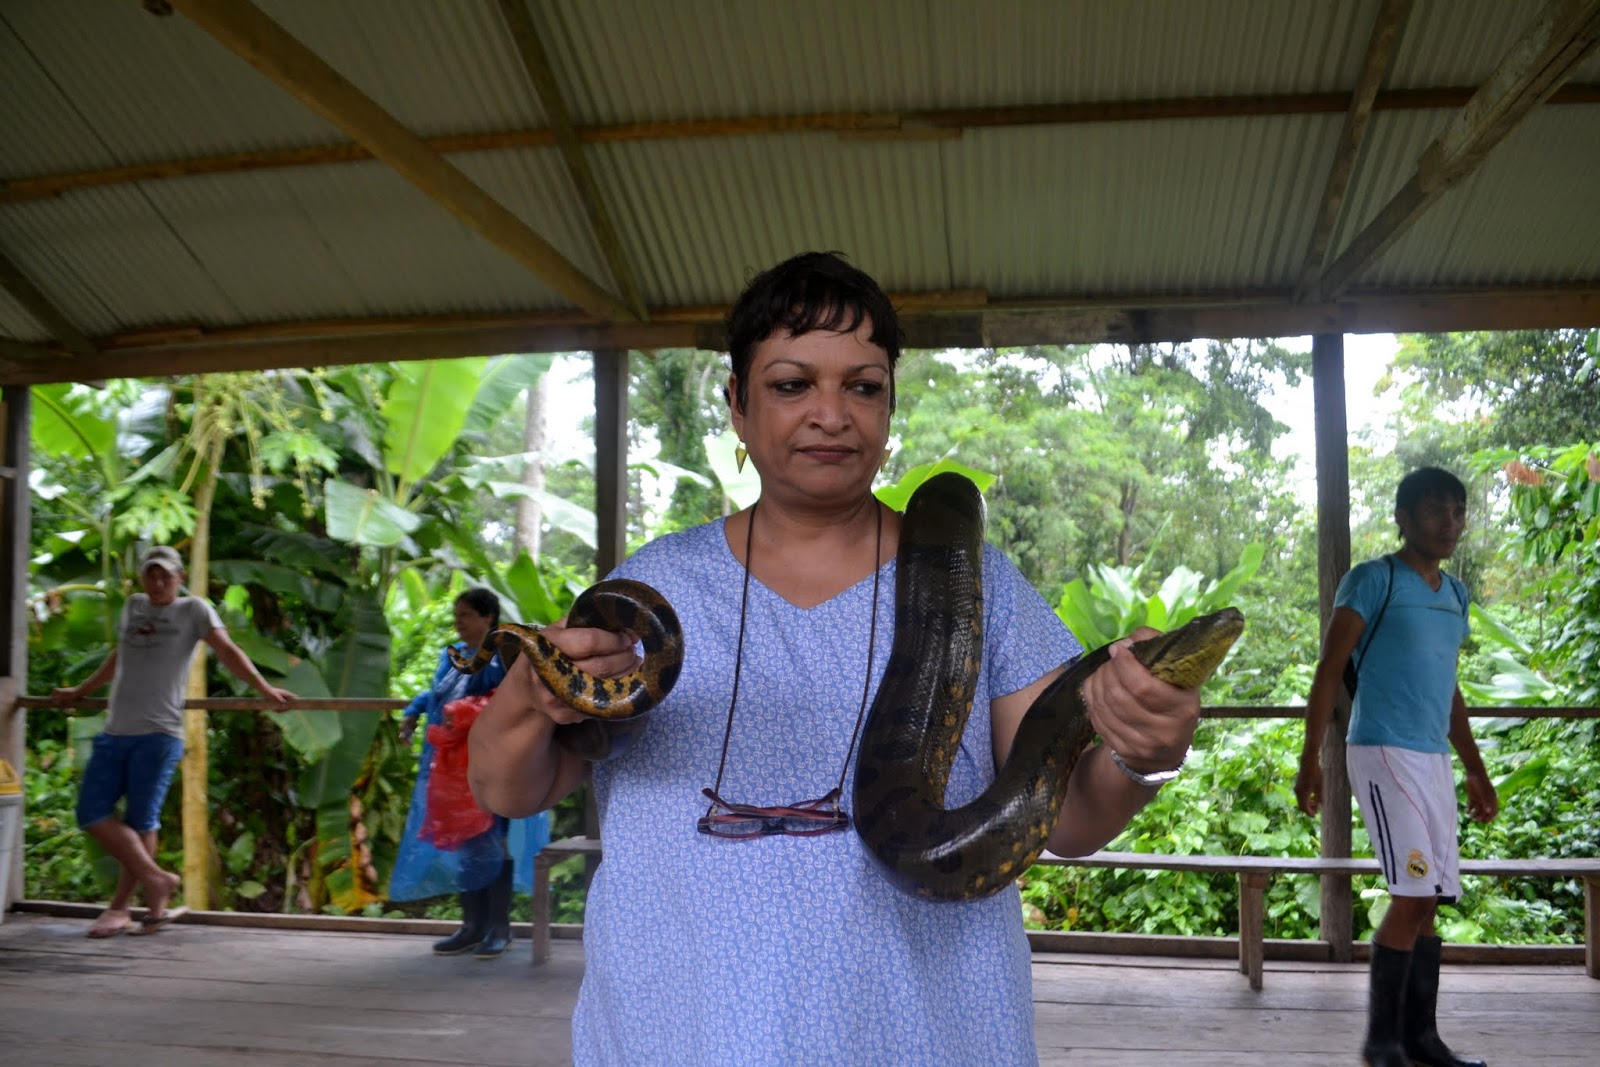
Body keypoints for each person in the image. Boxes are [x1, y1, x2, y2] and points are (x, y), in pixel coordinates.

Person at [467, 251, 1202, 1063]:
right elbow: (509, 787)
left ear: (889, 405)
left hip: (921, 1038)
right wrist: (532, 699)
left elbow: (1065, 819)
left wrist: (1143, 754)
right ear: (738, 405)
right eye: (792, 385)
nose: (831, 414)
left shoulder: (979, 582)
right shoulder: (653, 587)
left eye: (863, 386)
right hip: (683, 1033)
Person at [1296, 467, 1497, 1067]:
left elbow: (1448, 687)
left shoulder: (1455, 595)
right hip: (1383, 751)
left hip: (1433, 759)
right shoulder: (1372, 580)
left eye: (1458, 511)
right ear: (1403, 518)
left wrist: (1475, 769)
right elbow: (1329, 669)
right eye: (1435, 509)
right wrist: (1310, 760)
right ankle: (1381, 1044)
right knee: (1412, 895)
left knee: (1429, 900)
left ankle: (1421, 1040)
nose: (1450, 522)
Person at [49, 545, 294, 938]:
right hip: (116, 730)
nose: (158, 581)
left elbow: (228, 651)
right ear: (143, 578)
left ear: (180, 577)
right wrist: (81, 691)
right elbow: (119, 657)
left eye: (166, 574)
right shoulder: (134, 605)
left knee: (141, 819)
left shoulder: (195, 610)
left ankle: (127, 908)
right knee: (91, 813)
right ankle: (157, 879)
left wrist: (265, 689)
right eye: (151, 574)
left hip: (159, 733)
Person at [390, 588, 550, 959]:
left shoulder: (506, 654)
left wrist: (464, 712)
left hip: (492, 764)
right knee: (466, 842)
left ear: (487, 617)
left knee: (494, 842)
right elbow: (438, 694)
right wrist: (413, 711)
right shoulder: (453, 655)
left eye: (465, 614)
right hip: (453, 770)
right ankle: (471, 927)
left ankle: (499, 928)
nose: (457, 621)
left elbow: (512, 701)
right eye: (456, 614)